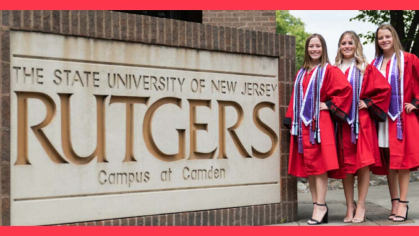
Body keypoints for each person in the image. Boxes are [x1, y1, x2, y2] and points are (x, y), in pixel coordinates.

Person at [283, 34, 352, 225]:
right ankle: (317, 205)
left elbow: (346, 90)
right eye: (311, 46)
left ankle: (321, 205)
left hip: (320, 125)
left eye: (318, 46)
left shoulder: (329, 70)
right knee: (310, 167)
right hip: (303, 125)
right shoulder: (301, 72)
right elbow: (296, 98)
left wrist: (329, 105)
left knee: (320, 166)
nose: (314, 49)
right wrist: (291, 121)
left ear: (323, 49)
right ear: (307, 49)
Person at [333, 31, 391, 223]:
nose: (347, 46)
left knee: (363, 163)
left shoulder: (366, 68)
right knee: (347, 165)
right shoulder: (334, 69)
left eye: (350, 42)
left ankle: (362, 205)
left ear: (356, 45)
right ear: (340, 46)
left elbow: (384, 89)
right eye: (343, 43)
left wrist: (369, 103)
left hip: (362, 123)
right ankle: (350, 205)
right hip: (343, 124)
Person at [370, 24, 419, 222]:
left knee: (403, 161)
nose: (384, 40)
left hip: (401, 117)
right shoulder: (375, 63)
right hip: (382, 118)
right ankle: (394, 202)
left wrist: (415, 103)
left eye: (387, 36)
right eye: (380, 38)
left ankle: (404, 203)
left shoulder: (408, 59)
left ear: (394, 37)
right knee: (389, 160)